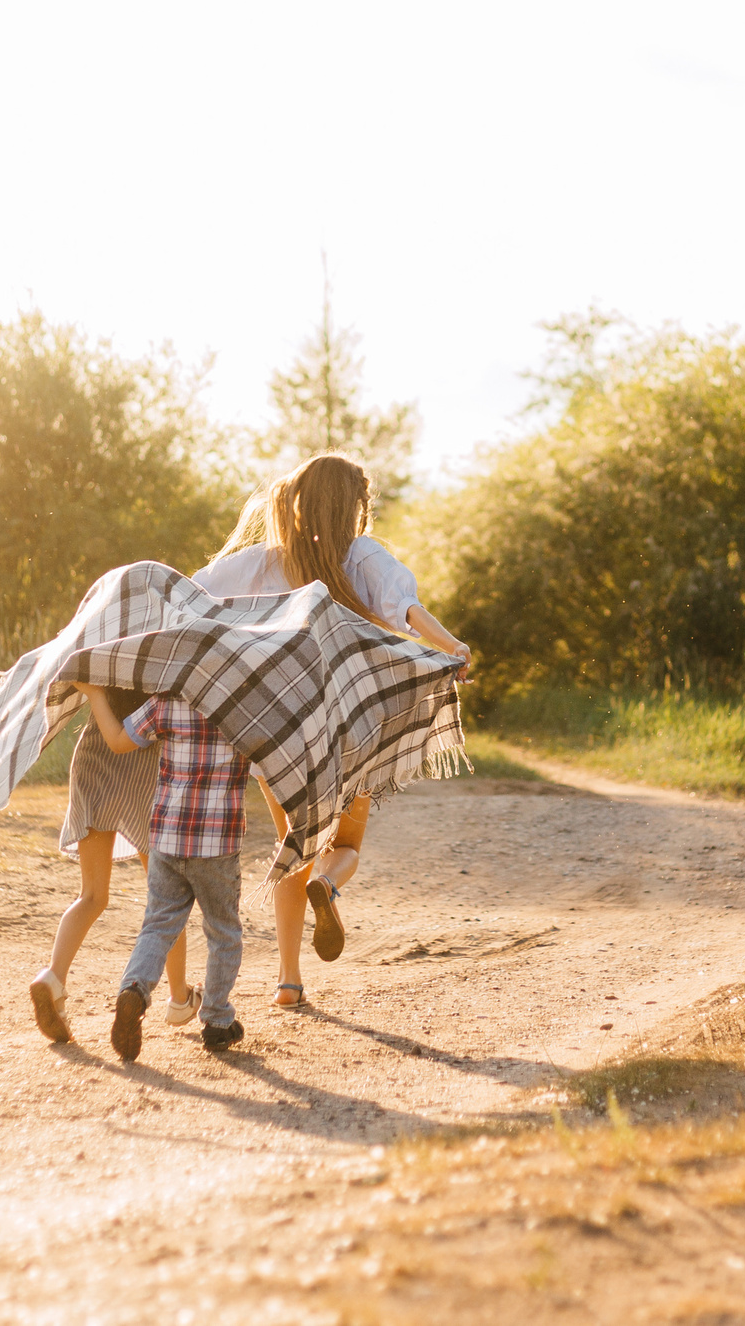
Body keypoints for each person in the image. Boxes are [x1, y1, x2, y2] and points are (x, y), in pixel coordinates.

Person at [192, 453, 471, 1009]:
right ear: (355, 506)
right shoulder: (362, 555)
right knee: (343, 844)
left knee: (291, 841)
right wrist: (454, 648)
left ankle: (289, 983)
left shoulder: (263, 561)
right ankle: (330, 882)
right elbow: (406, 608)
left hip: (280, 728)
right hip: (351, 723)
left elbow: (193, 593)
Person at [76, 679, 252, 1060]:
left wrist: (94, 696)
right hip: (217, 845)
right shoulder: (244, 707)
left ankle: (134, 991)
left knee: (158, 925)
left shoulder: (166, 703)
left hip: (167, 839)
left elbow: (118, 741)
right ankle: (218, 1022)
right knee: (223, 932)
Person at [27, 702, 196, 1046]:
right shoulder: (160, 660)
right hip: (147, 772)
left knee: (91, 895)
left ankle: (52, 977)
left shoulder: (105, 656)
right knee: (165, 900)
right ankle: (180, 998)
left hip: (94, 761)